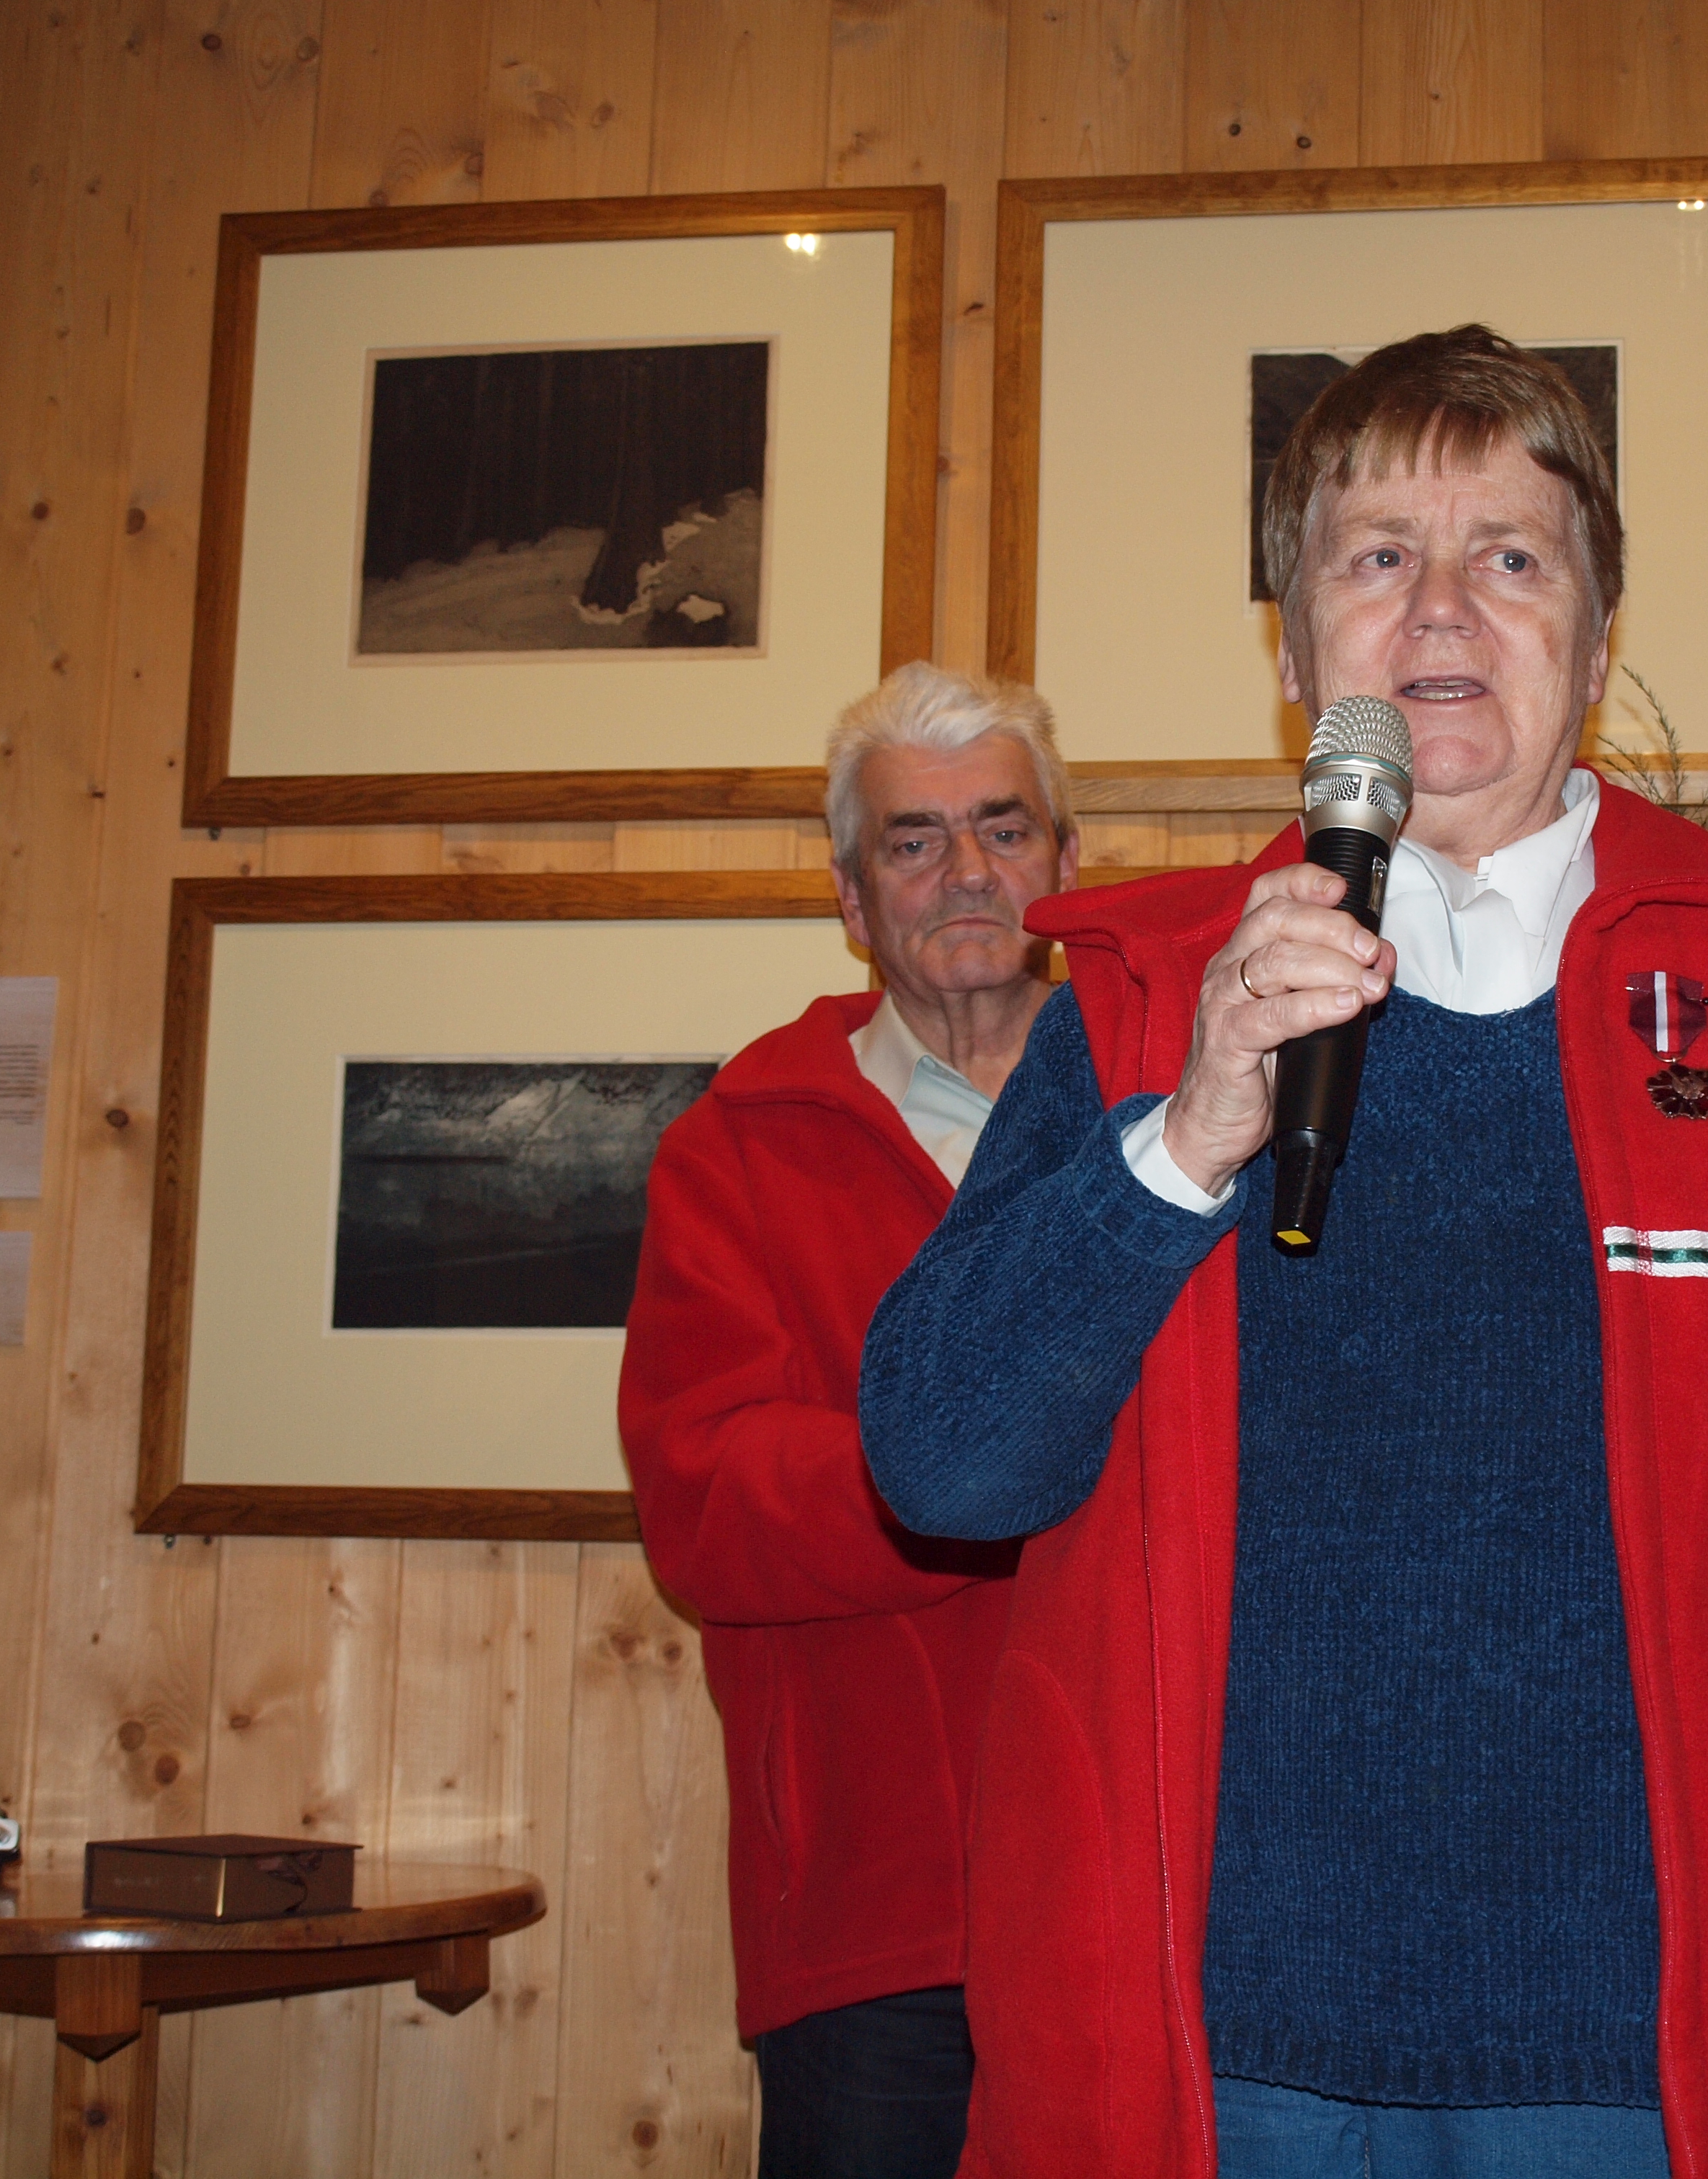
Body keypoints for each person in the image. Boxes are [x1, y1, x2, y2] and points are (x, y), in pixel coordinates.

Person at [856, 328, 1708, 2179]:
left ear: (1593, 646)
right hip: (1220, 2066)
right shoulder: (1137, 1005)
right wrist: (1186, 1138)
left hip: (1685, 2063)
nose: (1440, 604)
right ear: (1298, 654)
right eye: (1377, 555)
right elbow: (944, 1462)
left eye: (1511, 556)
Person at [620, 661, 1082, 2179]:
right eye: (913, 840)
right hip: (879, 1914)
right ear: (850, 897)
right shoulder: (739, 1150)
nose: (968, 871)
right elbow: (704, 1498)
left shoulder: (1184, 1117)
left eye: (1004, 827)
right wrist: (981, 1470)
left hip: (1158, 1878)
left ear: (1065, 864)